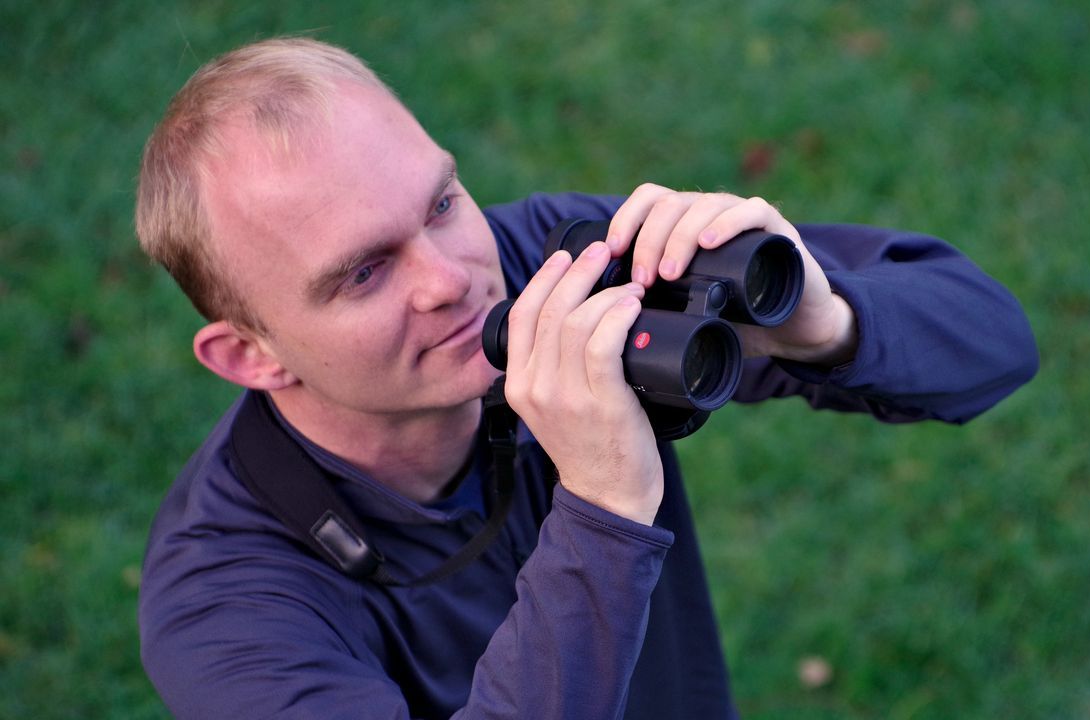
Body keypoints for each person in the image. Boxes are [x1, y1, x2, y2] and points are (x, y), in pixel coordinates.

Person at [135, 37, 1037, 719]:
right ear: (251, 356)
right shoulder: (224, 609)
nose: (451, 279)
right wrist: (605, 506)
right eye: (364, 272)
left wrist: (824, 321)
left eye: (442, 204)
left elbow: (995, 346)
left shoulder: (557, 269)